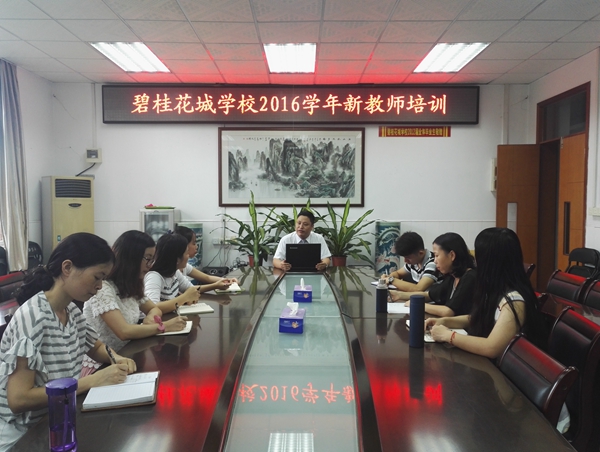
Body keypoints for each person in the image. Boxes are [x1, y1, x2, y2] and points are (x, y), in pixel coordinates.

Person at [0, 233, 137, 450]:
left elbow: (96, 347)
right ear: (67, 268)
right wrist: (92, 381)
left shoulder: (71, 310)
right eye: (97, 277)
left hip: (56, 420)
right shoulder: (33, 317)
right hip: (23, 434)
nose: (100, 286)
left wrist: (117, 358)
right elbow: (18, 399)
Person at [425, 227, 543, 359]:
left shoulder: (514, 300)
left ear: (490, 261)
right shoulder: (494, 288)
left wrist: (448, 336)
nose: (476, 262)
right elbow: (478, 317)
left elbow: (491, 348)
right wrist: (444, 321)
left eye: (479, 257)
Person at [82, 231, 188, 373]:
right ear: (131, 257)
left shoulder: (130, 285)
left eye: (152, 260)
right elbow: (124, 332)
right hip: (104, 365)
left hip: (128, 356)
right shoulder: (102, 288)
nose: (150, 265)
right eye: (147, 259)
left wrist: (151, 317)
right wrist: (164, 327)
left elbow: (154, 308)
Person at [390, 232, 476, 317]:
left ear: (452, 255)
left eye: (437, 255)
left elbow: (448, 311)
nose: (435, 261)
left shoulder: (469, 277)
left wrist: (417, 304)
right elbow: (429, 295)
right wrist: (399, 295)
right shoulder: (452, 276)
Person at [143, 233, 201, 313]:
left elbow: (192, 290)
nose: (188, 256)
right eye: (187, 253)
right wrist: (184, 298)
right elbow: (152, 307)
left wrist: (190, 296)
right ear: (177, 260)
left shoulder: (175, 272)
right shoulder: (154, 276)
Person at [174, 226, 237, 292]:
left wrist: (228, 281)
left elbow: (207, 278)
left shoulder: (184, 267)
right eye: (194, 243)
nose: (197, 246)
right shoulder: (172, 272)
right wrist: (216, 285)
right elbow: (190, 291)